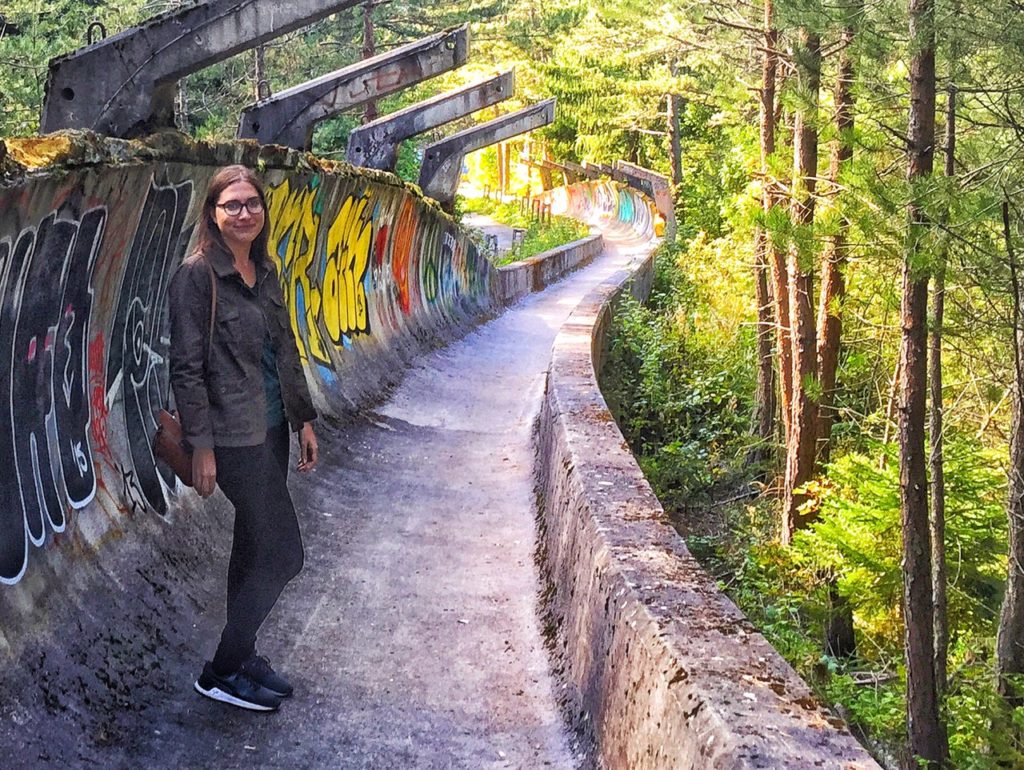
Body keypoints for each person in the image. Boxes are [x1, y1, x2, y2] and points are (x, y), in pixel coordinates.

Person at [168, 165, 319, 712]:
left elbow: (285, 348)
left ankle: (243, 653)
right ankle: (222, 669)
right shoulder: (196, 277)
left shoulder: (265, 270)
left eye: (252, 203)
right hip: (233, 439)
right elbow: (186, 368)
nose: (244, 213)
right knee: (285, 554)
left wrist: (303, 420)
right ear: (212, 213)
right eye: (231, 204)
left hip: (274, 428)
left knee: (253, 544)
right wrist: (201, 446)